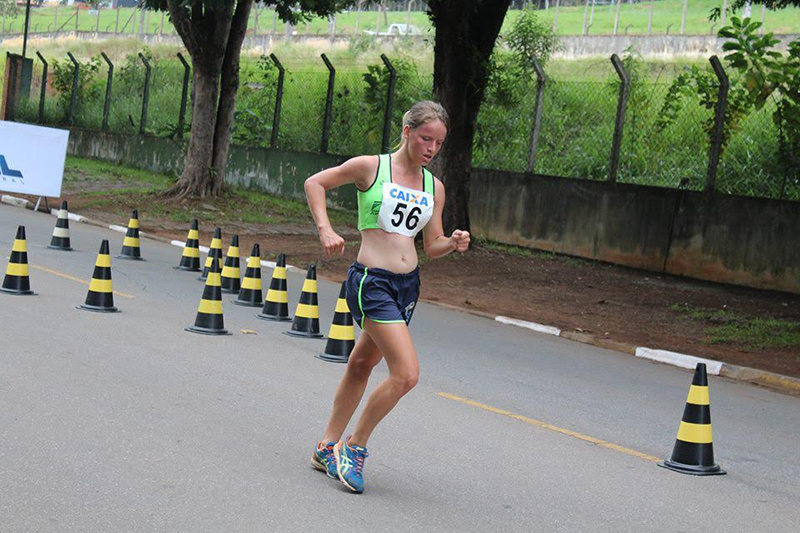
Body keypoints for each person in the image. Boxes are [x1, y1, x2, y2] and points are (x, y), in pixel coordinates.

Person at [303, 100, 470, 493]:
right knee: (407, 374)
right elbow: (316, 183)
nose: (431, 148)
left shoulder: (434, 186)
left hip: (407, 285)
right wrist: (325, 229)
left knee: (361, 363)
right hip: (371, 281)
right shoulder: (371, 167)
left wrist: (454, 242)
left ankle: (326, 446)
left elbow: (432, 246)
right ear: (407, 131)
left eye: (439, 143)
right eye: (426, 138)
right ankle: (353, 447)